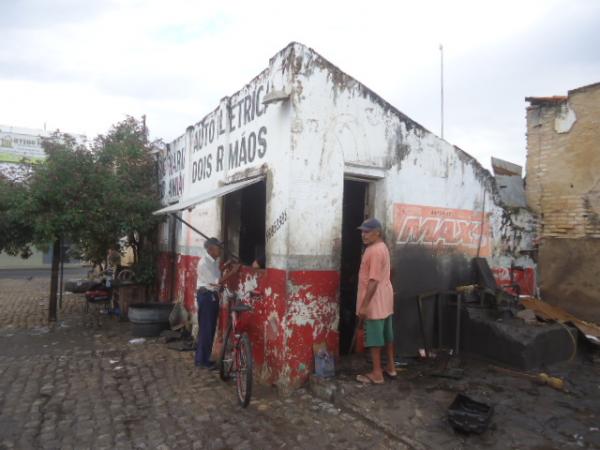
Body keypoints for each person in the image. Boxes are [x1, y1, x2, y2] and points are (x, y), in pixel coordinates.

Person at [355, 218, 396, 384]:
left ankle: (377, 373)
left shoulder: (373, 251)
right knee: (387, 334)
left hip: (374, 301)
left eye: (367, 231)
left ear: (377, 232)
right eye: (362, 232)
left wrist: (364, 306)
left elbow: (373, 281)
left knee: (374, 337)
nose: (363, 235)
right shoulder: (382, 247)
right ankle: (391, 368)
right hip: (384, 298)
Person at [195, 237, 238, 369]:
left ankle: (202, 359)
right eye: (218, 247)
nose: (220, 250)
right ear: (211, 249)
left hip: (211, 297)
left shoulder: (213, 261)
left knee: (209, 329)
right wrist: (233, 272)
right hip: (207, 297)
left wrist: (225, 266)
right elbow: (216, 281)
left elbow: (216, 272)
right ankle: (202, 361)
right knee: (207, 329)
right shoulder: (204, 263)